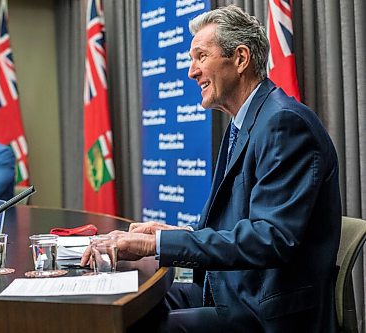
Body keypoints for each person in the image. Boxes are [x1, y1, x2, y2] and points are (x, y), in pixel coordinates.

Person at [81, 5, 341, 333]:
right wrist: (171, 235)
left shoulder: (283, 124)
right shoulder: (245, 124)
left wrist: (155, 246)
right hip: (232, 292)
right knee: (123, 308)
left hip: (268, 313)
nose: (192, 71)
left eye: (201, 56)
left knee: (145, 325)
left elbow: (270, 238)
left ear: (241, 58)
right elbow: (237, 226)